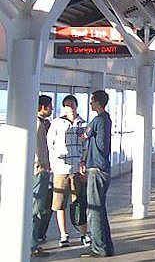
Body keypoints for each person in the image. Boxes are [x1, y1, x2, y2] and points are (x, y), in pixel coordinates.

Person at [47, 95, 90, 248]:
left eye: (72, 104)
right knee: (60, 204)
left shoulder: (83, 123)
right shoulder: (56, 123)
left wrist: (83, 163)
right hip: (61, 169)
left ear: (76, 106)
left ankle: (84, 233)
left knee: (78, 202)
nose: (70, 107)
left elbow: (86, 146)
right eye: (66, 105)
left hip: (77, 169)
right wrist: (54, 164)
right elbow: (50, 144)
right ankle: (63, 235)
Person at [81, 90, 114, 258]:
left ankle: (98, 247)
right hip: (104, 168)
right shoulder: (106, 120)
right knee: (100, 208)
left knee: (94, 210)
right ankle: (105, 245)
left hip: (96, 169)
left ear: (97, 103)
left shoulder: (97, 120)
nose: (90, 104)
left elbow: (84, 137)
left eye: (92, 101)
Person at [32, 94, 53, 258]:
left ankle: (32, 242)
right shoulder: (38, 125)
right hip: (40, 171)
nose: (51, 109)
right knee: (37, 208)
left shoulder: (36, 123)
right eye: (50, 106)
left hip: (38, 170)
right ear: (43, 107)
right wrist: (42, 165)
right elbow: (39, 148)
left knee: (37, 207)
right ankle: (33, 244)